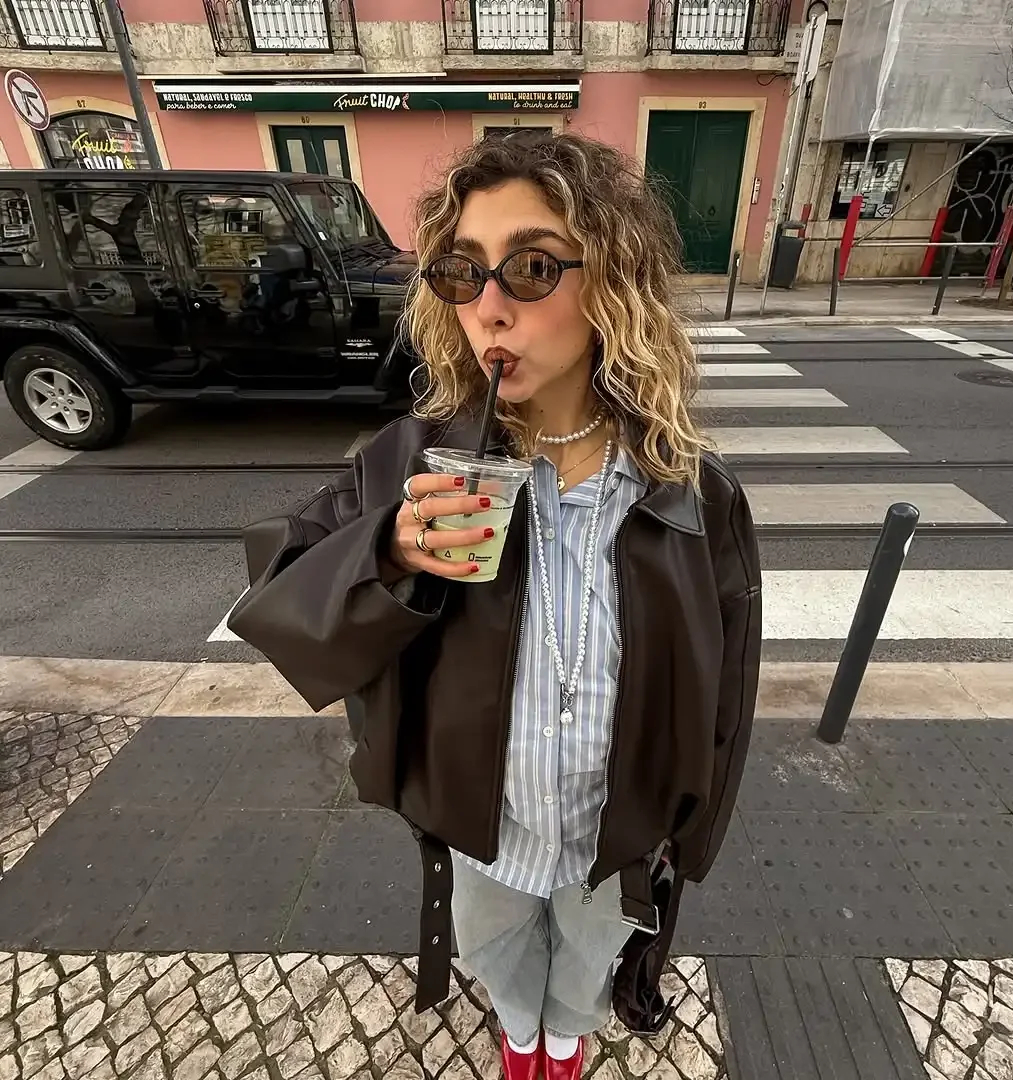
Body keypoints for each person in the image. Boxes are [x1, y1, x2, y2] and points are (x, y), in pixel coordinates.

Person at [228, 131, 762, 1080]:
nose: (489, 307)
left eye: (532, 267)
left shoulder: (693, 493)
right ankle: (522, 1043)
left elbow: (728, 693)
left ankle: (563, 1046)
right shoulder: (413, 461)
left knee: (583, 983)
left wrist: (690, 838)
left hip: (616, 838)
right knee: (504, 969)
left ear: (615, 282)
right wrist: (389, 550)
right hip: (484, 836)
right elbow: (278, 602)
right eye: (463, 272)